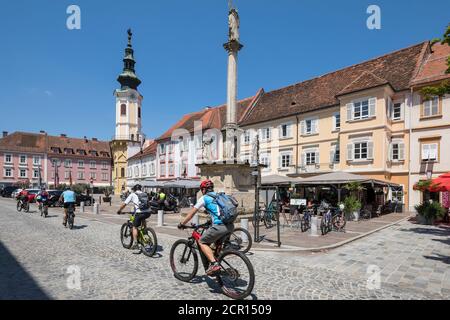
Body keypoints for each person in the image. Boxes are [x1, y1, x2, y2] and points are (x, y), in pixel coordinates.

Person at [178, 180, 234, 276]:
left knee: (201, 241)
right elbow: (215, 211)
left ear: (203, 190)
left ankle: (214, 264)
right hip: (230, 226)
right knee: (214, 247)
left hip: (219, 226)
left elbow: (191, 213)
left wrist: (182, 223)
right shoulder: (218, 195)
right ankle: (217, 264)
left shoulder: (204, 198)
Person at [117, 184, 152, 250]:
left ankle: (135, 244)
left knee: (134, 227)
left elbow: (124, 204)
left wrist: (119, 210)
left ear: (134, 189)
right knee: (143, 219)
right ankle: (145, 233)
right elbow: (148, 203)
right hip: (148, 212)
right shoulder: (145, 194)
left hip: (139, 213)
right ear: (140, 189)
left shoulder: (132, 194)